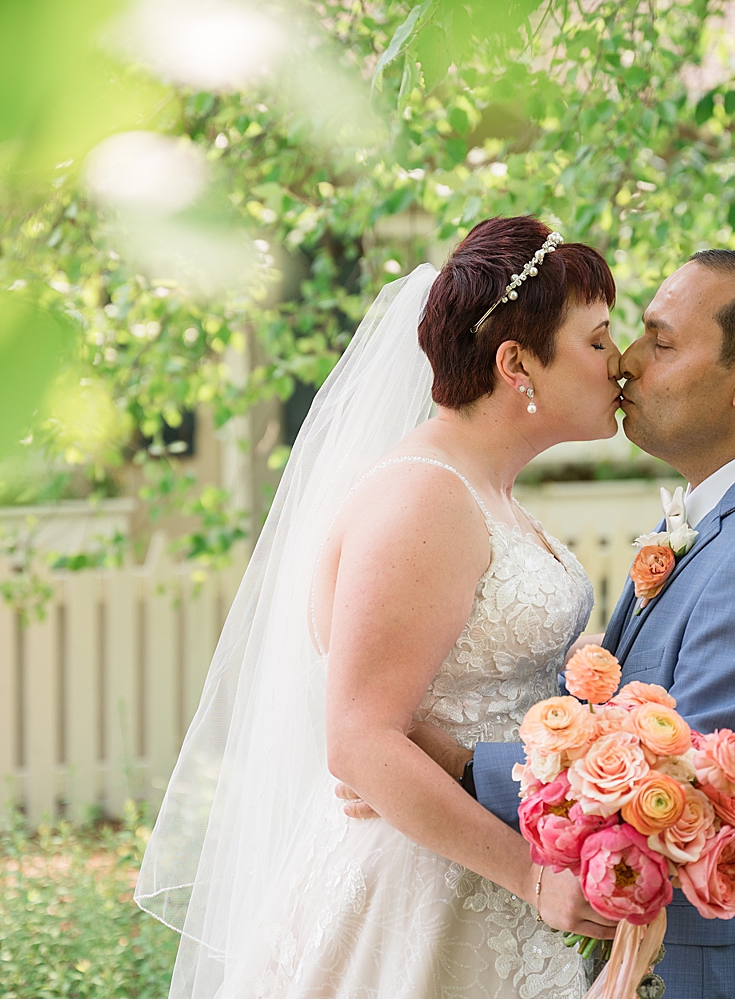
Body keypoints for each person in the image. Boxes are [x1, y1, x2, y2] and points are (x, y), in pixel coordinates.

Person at [345, 251, 735, 999]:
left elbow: (678, 784)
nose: (626, 362)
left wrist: (454, 760)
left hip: (725, 972)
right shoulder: (734, 511)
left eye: (659, 342)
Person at [138, 215, 631, 998]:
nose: (620, 362)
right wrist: (535, 879)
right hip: (419, 891)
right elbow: (361, 742)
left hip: (486, 877)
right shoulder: (423, 498)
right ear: (517, 363)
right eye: (599, 340)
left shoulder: (488, 492)